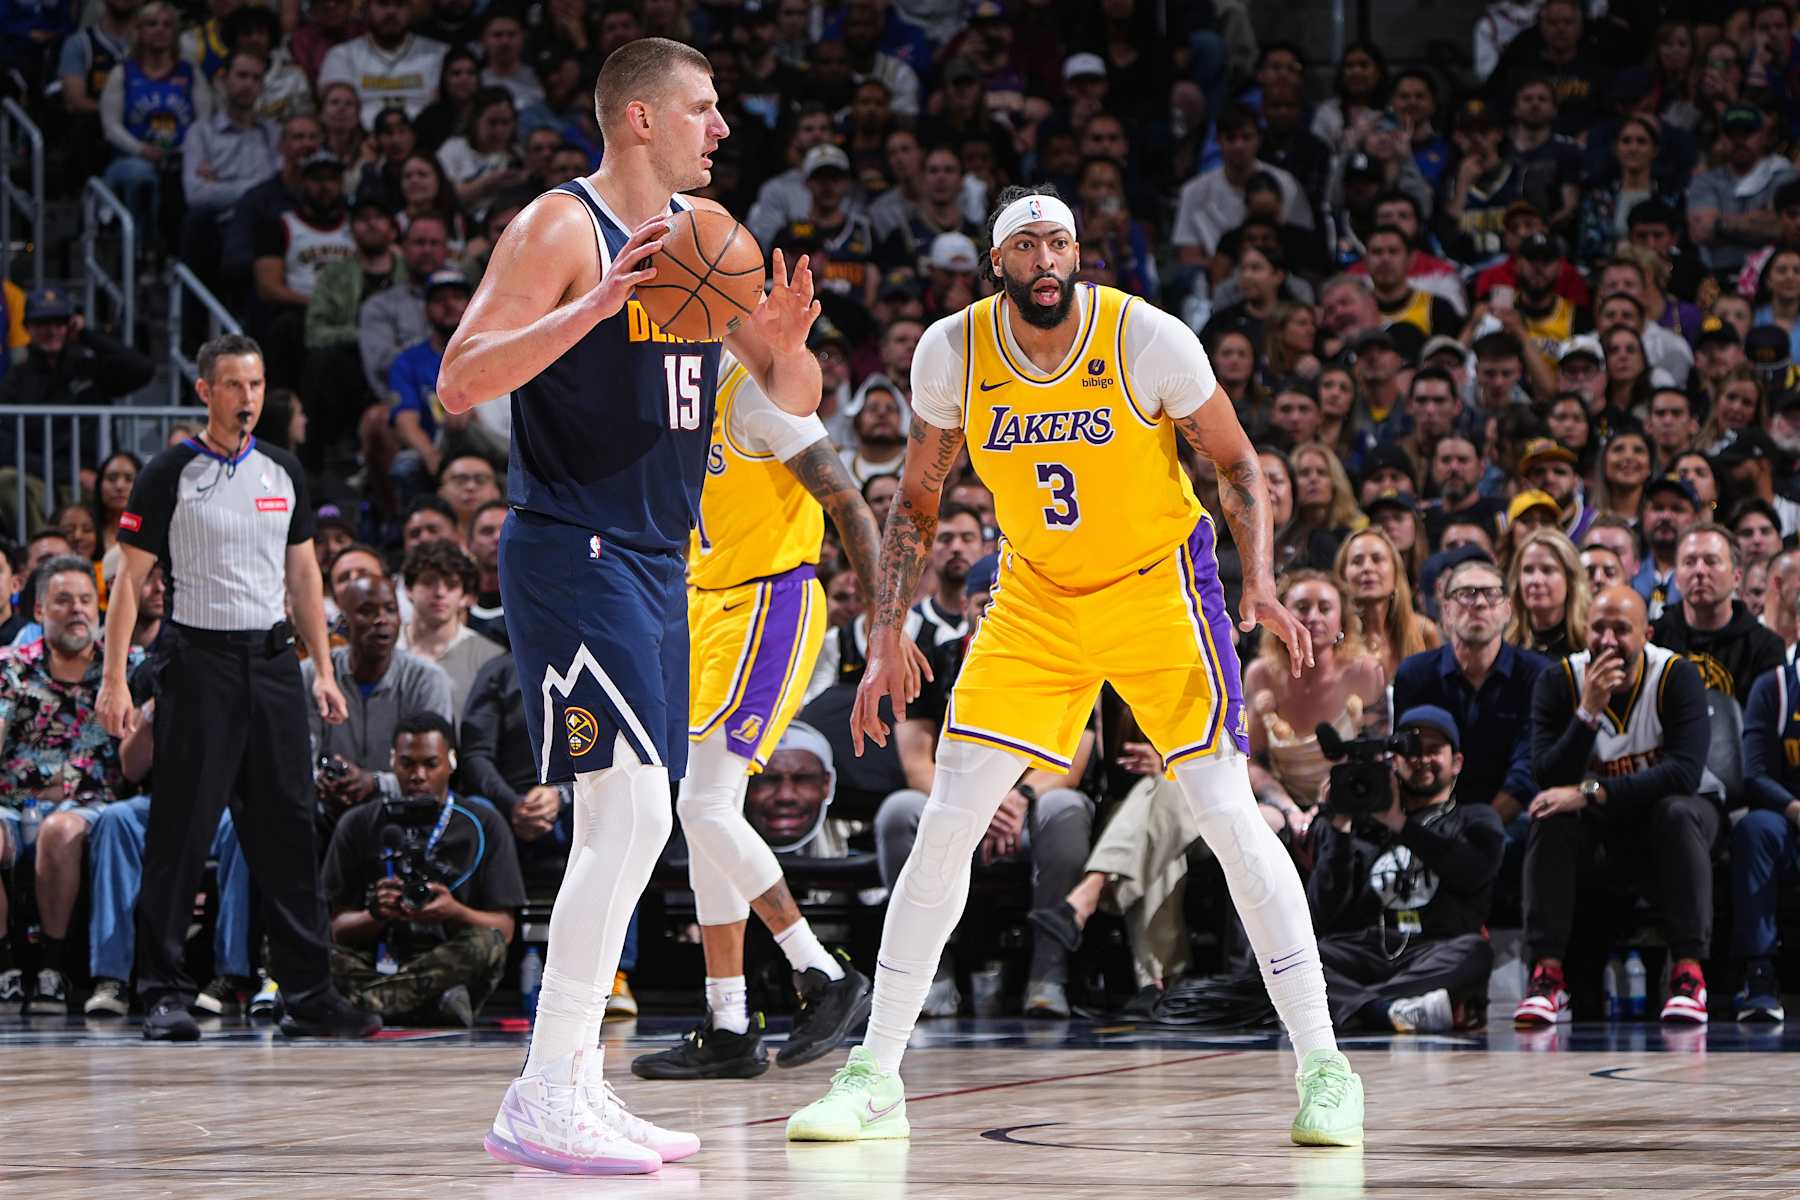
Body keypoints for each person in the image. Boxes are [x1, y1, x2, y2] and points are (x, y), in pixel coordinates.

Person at [787, 185, 1363, 1147]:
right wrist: (887, 628)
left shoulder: (1145, 337)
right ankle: (875, 1071)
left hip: (1159, 589)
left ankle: (1324, 1065)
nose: (1046, 259)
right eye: (1027, 245)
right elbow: (920, 504)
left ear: (1079, 254)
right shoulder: (952, 351)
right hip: (1035, 600)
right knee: (948, 824)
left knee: (1227, 812)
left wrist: (1257, 578)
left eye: (1061, 242)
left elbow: (1237, 462)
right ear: (997, 261)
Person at [435, 38, 823, 1174]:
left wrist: (791, 354)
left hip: (662, 561)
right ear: (641, 119)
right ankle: (545, 1092)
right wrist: (599, 304)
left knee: (632, 821)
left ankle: (567, 1088)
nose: (722, 128)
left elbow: (788, 398)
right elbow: (462, 379)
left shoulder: (712, 241)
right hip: (574, 548)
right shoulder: (561, 227)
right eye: (703, 109)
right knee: (632, 810)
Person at [95, 334, 379, 1044]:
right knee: (181, 831)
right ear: (204, 392)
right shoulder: (168, 473)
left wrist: (320, 666)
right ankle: (162, 991)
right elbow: (130, 580)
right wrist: (113, 679)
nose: (246, 398)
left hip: (274, 664)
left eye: (254, 384)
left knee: (288, 830)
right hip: (197, 664)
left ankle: (308, 993)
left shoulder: (283, 471)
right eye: (232, 385)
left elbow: (305, 576)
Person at [631, 350, 899, 1081]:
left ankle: (821, 973)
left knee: (703, 806)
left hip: (767, 603)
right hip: (706, 609)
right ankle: (728, 1021)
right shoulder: (678, 403)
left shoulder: (756, 395)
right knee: (708, 813)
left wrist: (884, 627)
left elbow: (847, 500)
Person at [1516, 586, 1718, 1026]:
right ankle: (1547, 978)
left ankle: (1688, 974)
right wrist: (1588, 712)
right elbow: (1548, 778)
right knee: (1550, 816)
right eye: (1599, 628)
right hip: (1601, 833)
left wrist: (1592, 791)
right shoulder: (1559, 681)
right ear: (1584, 630)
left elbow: (1683, 773)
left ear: (1645, 633)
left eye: (1622, 630)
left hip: (1671, 826)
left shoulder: (1675, 675)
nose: (1608, 640)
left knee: (1676, 812)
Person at [1308, 706, 1506, 1032]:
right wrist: (1339, 828)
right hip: (1371, 950)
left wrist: (1400, 825)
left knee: (1476, 951)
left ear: (1456, 762)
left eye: (1433, 750)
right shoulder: (1361, 825)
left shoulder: (1476, 818)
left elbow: (1471, 873)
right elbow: (1322, 913)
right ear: (1394, 761)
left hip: (1433, 951)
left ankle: (1360, 1008)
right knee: (1301, 959)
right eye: (1411, 750)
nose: (1421, 759)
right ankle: (1391, 1011)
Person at [0, 558, 141, 1013]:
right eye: (63, 601)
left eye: (86, 600)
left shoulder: (124, 669)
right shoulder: (11, 668)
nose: (78, 610)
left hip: (94, 807)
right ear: (39, 609)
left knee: (60, 831)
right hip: (11, 804)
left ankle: (51, 967)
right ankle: (5, 967)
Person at [323, 712, 525, 1027]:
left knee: (487, 945)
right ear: (392, 762)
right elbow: (336, 926)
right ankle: (429, 1007)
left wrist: (454, 911)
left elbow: (504, 928)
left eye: (431, 764)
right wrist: (375, 914)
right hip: (376, 957)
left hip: (446, 958)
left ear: (452, 763)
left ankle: (359, 1007)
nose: (418, 775)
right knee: (294, 946)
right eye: (407, 764)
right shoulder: (358, 823)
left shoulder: (484, 824)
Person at [1245, 569, 1387, 823]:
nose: (1312, 617)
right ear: (1280, 617)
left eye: (1325, 608)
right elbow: (1252, 761)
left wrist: (1329, 803)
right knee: (1261, 823)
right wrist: (1289, 810)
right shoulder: (1260, 674)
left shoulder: (1364, 671)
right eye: (1301, 607)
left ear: (1341, 620)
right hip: (1283, 807)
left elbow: (1378, 756)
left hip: (1348, 802)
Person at [1651, 523, 1785, 705]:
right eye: (1689, 562)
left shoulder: (1765, 647)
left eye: (1711, 561)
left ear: (1736, 577)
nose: (1700, 571)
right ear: (1676, 578)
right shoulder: (1653, 638)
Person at [398, 539, 501, 717]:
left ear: (466, 597)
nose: (440, 592)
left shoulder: (489, 657)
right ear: (408, 589)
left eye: (451, 585)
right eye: (428, 582)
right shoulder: (387, 649)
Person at [1506, 528, 1590, 660]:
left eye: (1548, 570)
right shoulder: (1504, 646)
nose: (1536, 580)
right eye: (1528, 570)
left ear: (1570, 580)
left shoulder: (1588, 644)